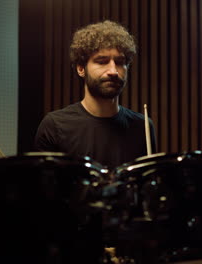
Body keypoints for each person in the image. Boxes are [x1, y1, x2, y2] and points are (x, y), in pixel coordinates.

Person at [34, 20, 156, 169]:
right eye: (102, 61)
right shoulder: (54, 126)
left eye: (119, 62)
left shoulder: (142, 127)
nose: (113, 71)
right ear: (81, 68)